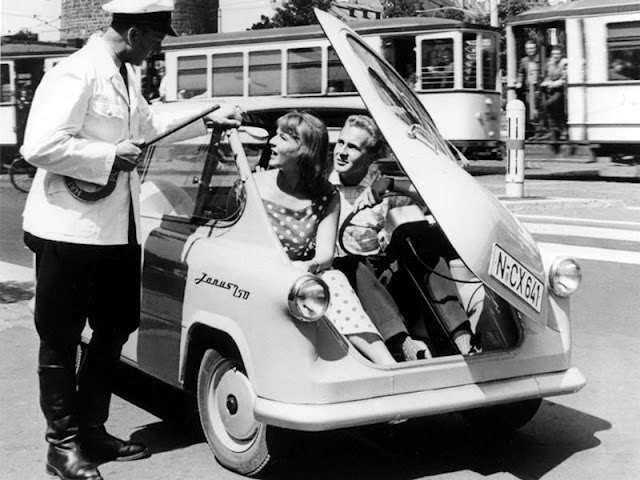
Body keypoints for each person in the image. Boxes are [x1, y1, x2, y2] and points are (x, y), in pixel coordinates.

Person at [19, 1, 241, 479]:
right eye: (158, 36)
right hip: (69, 232)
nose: (161, 46)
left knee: (115, 327)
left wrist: (209, 118)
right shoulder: (75, 73)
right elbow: (38, 145)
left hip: (117, 232)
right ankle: (62, 446)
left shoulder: (124, 74)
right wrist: (105, 154)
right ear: (136, 31)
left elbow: (146, 126)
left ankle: (92, 429)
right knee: (59, 338)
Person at [252, 111, 397, 365]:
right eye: (340, 143)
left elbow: (325, 256)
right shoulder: (253, 186)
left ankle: (386, 364)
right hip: (256, 272)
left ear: (304, 150)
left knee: (333, 278)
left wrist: (304, 268)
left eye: (282, 138)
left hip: (300, 273)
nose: (272, 142)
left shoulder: (326, 195)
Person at [330, 115, 477, 357]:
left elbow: (439, 198)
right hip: (347, 283)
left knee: (417, 235)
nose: (342, 152)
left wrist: (390, 184)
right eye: (340, 143)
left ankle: (463, 339)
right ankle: (404, 344)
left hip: (388, 280)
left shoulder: (378, 184)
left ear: (372, 156)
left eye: (353, 147)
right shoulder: (323, 185)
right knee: (350, 263)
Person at [540, 45, 568, 154]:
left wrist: (552, 84)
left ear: (561, 54)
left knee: (548, 105)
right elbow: (548, 76)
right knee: (552, 109)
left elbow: (564, 79)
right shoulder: (550, 63)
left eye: (558, 54)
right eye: (554, 54)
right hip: (551, 89)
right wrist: (546, 82)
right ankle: (554, 130)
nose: (556, 56)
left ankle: (560, 129)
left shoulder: (564, 63)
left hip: (561, 91)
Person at [516, 40, 543, 138]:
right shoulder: (524, 60)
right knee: (530, 110)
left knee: (538, 109)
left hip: (538, 89)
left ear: (535, 49)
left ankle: (540, 131)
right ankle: (533, 131)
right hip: (528, 89)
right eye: (528, 48)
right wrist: (519, 82)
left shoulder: (540, 59)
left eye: (532, 48)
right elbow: (521, 73)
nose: (530, 50)